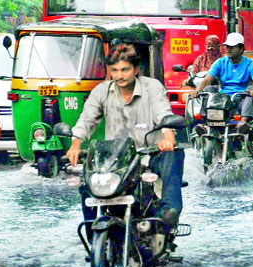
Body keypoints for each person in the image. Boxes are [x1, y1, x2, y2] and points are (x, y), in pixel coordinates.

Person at [67, 44, 185, 228]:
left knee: (173, 154)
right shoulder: (101, 91)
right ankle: (91, 229)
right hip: (115, 161)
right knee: (86, 183)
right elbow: (86, 120)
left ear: (136, 69)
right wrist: (76, 143)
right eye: (114, 70)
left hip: (148, 155)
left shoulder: (152, 87)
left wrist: (167, 137)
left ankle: (169, 211)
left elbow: (163, 114)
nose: (119, 75)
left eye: (125, 69)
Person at [191, 32, 253, 127]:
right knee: (208, 89)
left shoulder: (250, 64)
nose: (228, 49)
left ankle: (243, 123)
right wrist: (197, 91)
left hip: (241, 98)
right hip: (222, 98)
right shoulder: (220, 62)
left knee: (251, 90)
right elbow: (207, 80)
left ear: (241, 49)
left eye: (232, 47)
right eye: (227, 46)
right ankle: (205, 123)